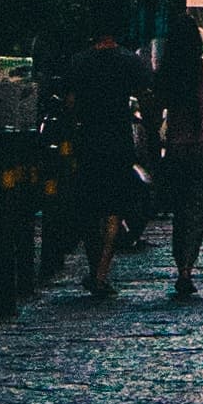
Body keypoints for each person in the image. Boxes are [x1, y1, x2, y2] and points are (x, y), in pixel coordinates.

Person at [64, 25, 153, 300]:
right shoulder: (129, 61)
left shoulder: (80, 61)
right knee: (114, 208)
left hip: (88, 142)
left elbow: (70, 103)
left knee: (89, 208)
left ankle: (95, 268)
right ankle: (101, 272)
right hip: (118, 141)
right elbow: (146, 96)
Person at [157, 5, 203, 300]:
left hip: (176, 149)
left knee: (180, 212)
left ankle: (180, 265)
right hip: (202, 148)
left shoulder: (168, 73)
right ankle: (187, 267)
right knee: (197, 211)